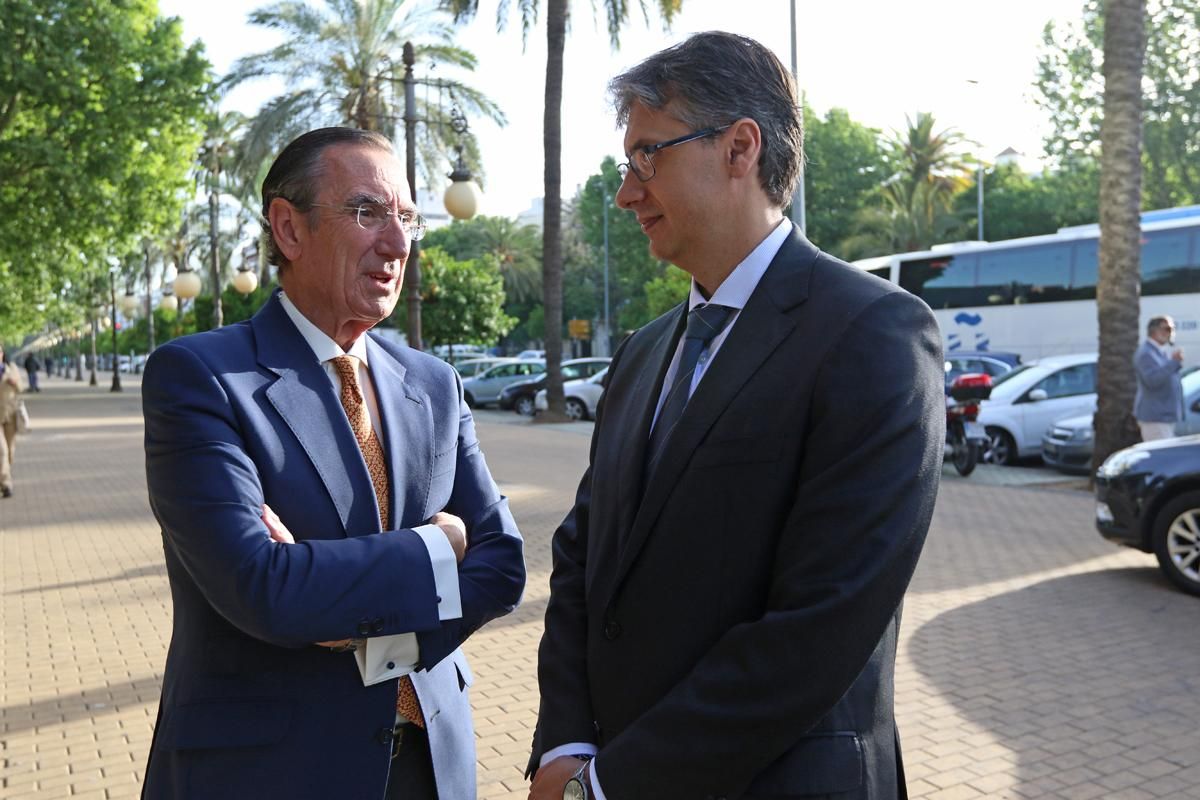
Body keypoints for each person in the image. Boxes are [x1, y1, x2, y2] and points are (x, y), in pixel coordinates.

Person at [527, 32, 944, 800]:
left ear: (739, 148)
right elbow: (583, 558)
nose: (627, 191)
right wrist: (567, 741)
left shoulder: (872, 335)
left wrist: (612, 783)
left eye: (648, 156)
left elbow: (819, 628)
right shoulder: (644, 353)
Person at [140, 127, 526, 800]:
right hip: (270, 772)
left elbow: (501, 564)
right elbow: (263, 588)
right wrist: (438, 547)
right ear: (289, 229)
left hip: (431, 763)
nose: (399, 244)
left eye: (406, 218)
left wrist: (368, 636)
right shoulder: (200, 378)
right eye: (366, 212)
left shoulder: (434, 383)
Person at [1133, 315, 1185, 442]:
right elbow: (1152, 380)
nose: (1171, 332)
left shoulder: (1158, 351)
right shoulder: (1146, 353)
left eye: (1172, 328)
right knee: (1162, 459)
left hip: (1162, 417)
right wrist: (1173, 363)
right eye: (1167, 328)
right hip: (1155, 419)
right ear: (1154, 331)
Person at [0, 346, 21, 498]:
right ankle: (6, 484)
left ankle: (4, 474)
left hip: (10, 414)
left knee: (10, 451)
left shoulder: (11, 368)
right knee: (2, 451)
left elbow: (22, 387)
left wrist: (13, 382)